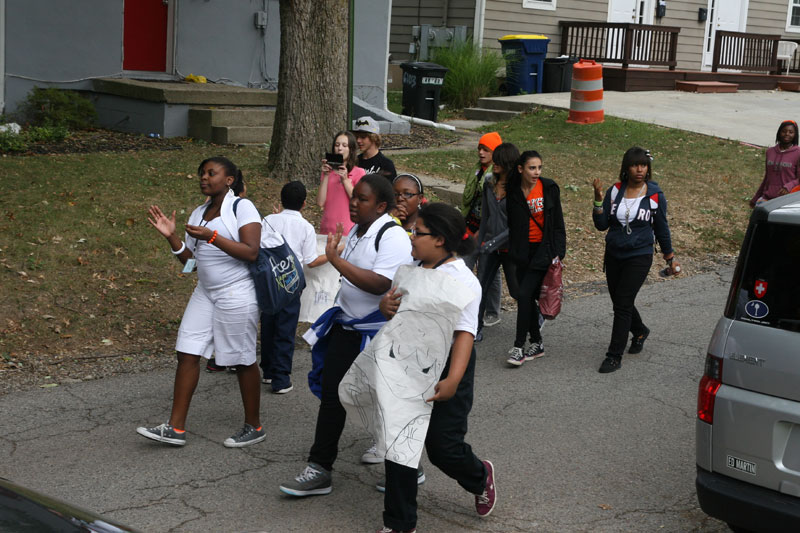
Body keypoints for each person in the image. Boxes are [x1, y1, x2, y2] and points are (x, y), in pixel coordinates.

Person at [279, 174, 412, 496]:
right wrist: (339, 259)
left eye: (362, 199)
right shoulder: (356, 230)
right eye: (354, 198)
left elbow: (381, 283)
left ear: (381, 206)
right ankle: (320, 468)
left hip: (378, 334)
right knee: (332, 395)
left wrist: (336, 261)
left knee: (387, 401)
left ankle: (408, 466)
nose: (354, 203)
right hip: (346, 327)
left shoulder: (393, 237)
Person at [376, 202, 497, 533]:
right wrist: (385, 304)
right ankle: (399, 523)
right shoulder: (412, 267)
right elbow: (396, 306)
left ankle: (479, 475)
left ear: (441, 239)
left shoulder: (463, 281)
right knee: (401, 443)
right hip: (408, 364)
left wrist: (454, 379)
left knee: (443, 448)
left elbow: (464, 335)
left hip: (447, 368)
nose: (411, 237)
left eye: (418, 232)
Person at [138, 156, 265, 447]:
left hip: (237, 292)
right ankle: (175, 428)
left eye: (211, 173)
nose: (204, 178)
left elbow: (251, 252)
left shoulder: (242, 208)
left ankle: (254, 426)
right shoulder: (198, 213)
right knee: (187, 351)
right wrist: (172, 238)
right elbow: (191, 265)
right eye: (201, 174)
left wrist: (213, 236)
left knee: (241, 359)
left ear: (229, 180)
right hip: (206, 292)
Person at [592, 147, 680, 373]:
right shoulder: (615, 191)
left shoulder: (653, 195)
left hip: (639, 255)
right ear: (626, 168)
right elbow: (602, 226)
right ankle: (640, 331)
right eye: (635, 165)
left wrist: (669, 257)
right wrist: (598, 201)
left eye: (643, 165)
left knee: (622, 303)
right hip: (614, 254)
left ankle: (614, 355)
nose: (640, 169)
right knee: (620, 301)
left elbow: (661, 227)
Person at [260, 181, 326, 394]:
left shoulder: (268, 220)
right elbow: (311, 261)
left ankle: (268, 370)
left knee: (269, 324)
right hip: (291, 281)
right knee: (285, 329)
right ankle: (281, 377)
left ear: (281, 200)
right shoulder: (305, 227)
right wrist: (336, 252)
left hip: (269, 280)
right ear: (304, 204)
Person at [506, 150, 566, 367]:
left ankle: (518, 347)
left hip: (544, 251)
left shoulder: (548, 188)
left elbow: (558, 222)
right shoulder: (513, 191)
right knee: (528, 298)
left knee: (523, 295)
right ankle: (537, 342)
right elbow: (512, 225)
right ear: (521, 169)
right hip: (522, 252)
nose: (537, 172)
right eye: (532, 168)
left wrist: (558, 253)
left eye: (539, 167)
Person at [475, 143, 520, 338]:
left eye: (499, 161)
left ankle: (535, 318)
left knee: (517, 290)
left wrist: (493, 243)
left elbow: (516, 226)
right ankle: (475, 328)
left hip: (509, 247)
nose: (494, 164)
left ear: (508, 163)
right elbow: (485, 216)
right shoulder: (488, 183)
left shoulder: (518, 189)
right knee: (480, 287)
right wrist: (481, 244)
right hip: (489, 245)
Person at [461, 132, 503, 334]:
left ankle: (492, 311)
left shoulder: (496, 177)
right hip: (470, 226)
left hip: (487, 231)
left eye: (486, 149)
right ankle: (466, 307)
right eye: (479, 148)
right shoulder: (477, 171)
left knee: (488, 273)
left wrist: (483, 230)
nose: (481, 152)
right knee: (464, 266)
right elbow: (469, 200)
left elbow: (493, 209)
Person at [319, 131, 366, 235]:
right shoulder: (328, 172)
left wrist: (345, 180)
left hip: (348, 229)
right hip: (327, 228)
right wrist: (326, 175)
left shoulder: (359, 172)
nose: (340, 148)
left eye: (344, 145)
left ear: (351, 149)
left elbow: (358, 200)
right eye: (337, 145)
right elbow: (320, 202)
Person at [750, 120, 800, 207]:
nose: (787, 134)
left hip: (786, 201)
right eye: (784, 131)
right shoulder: (770, 152)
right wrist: (755, 198)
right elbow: (767, 178)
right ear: (779, 132)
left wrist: (788, 186)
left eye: (791, 132)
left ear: (795, 135)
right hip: (767, 198)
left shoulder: (798, 153)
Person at [353, 116, 397, 182]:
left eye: (363, 137)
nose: (358, 140)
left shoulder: (386, 164)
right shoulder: (354, 161)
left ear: (374, 137)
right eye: (356, 137)